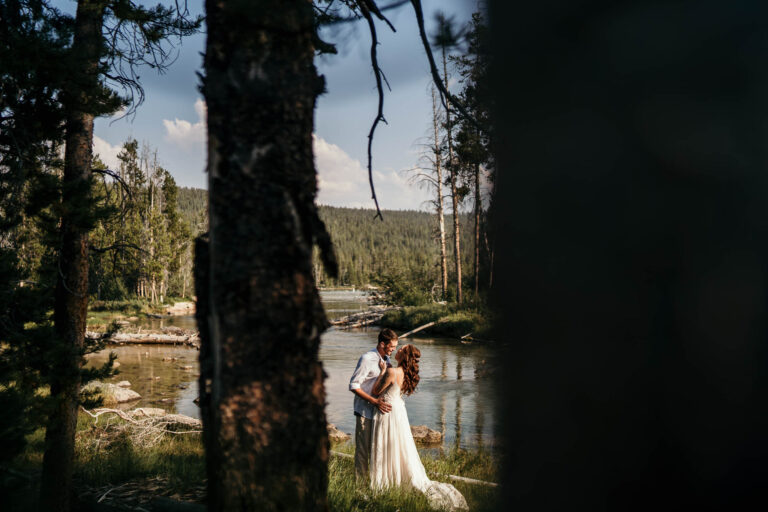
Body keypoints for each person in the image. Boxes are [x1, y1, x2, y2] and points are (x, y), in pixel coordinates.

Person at [370, 344, 468, 511]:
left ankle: (386, 482)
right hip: (399, 412)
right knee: (401, 447)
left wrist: (381, 372)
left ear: (404, 356)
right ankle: (398, 480)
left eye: (400, 349)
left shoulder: (392, 372)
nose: (398, 350)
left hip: (387, 412)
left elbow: (374, 391)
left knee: (387, 447)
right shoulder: (406, 374)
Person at [349, 328, 398, 481]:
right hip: (365, 411)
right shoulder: (367, 359)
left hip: (379, 413)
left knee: (377, 451)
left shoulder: (387, 360)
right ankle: (360, 487)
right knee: (363, 452)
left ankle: (374, 484)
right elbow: (354, 385)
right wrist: (374, 401)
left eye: (395, 347)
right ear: (382, 344)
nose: (393, 350)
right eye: (392, 347)